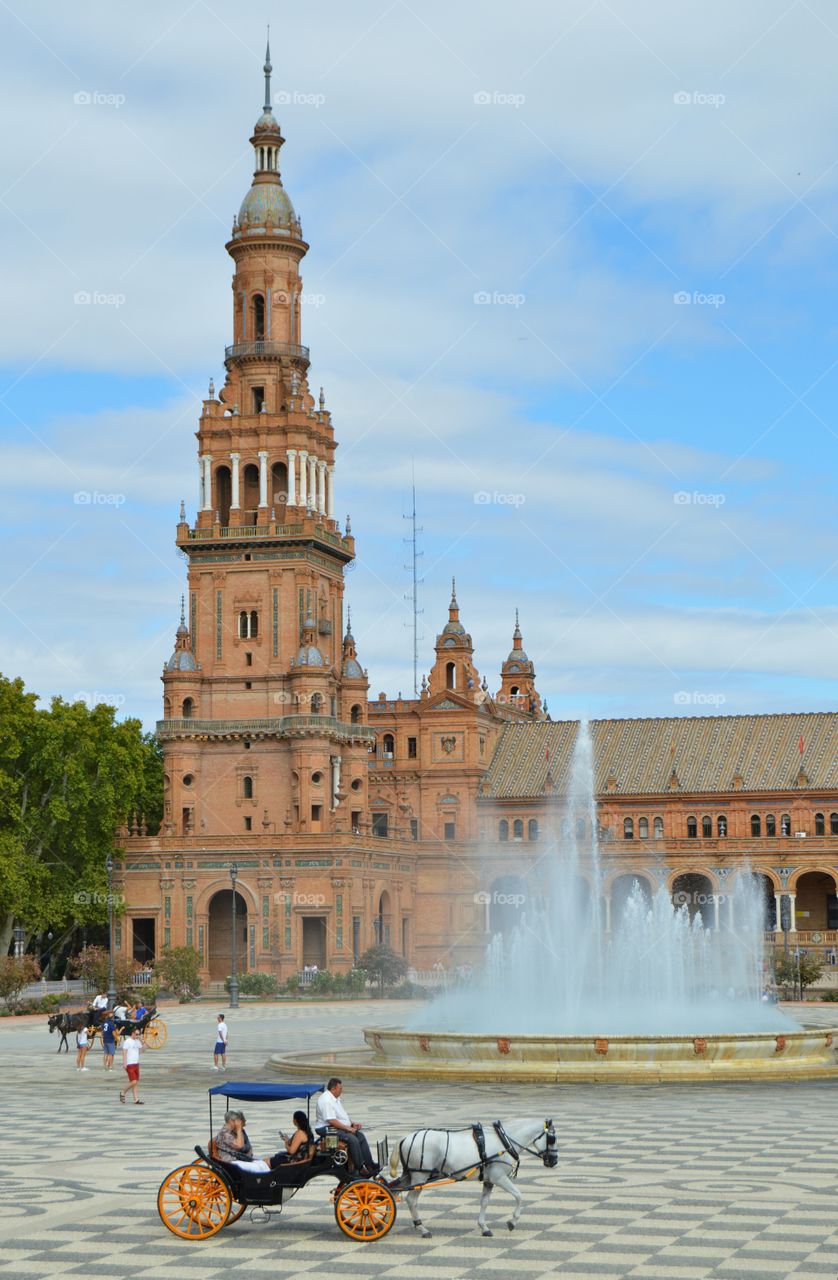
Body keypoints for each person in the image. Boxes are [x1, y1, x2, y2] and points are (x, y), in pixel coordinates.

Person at [315, 1078, 376, 1174]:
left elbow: (341, 1116)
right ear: (333, 1089)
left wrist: (352, 1124)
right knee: (352, 1139)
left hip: (334, 1126)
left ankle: (369, 1164)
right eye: (340, 1088)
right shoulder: (326, 1100)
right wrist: (348, 1128)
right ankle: (359, 1167)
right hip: (325, 1128)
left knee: (360, 1136)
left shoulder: (335, 1099)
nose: (341, 1091)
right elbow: (331, 1121)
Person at [119, 1028, 144, 1104]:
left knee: (135, 1082)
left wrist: (142, 1041)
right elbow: (124, 1052)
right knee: (134, 1081)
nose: (137, 1036)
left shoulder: (137, 1041)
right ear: (132, 1033)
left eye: (138, 1034)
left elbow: (143, 1050)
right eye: (136, 1034)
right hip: (129, 1064)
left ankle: (136, 1099)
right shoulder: (127, 1041)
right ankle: (123, 1091)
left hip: (136, 1063)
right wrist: (124, 1063)